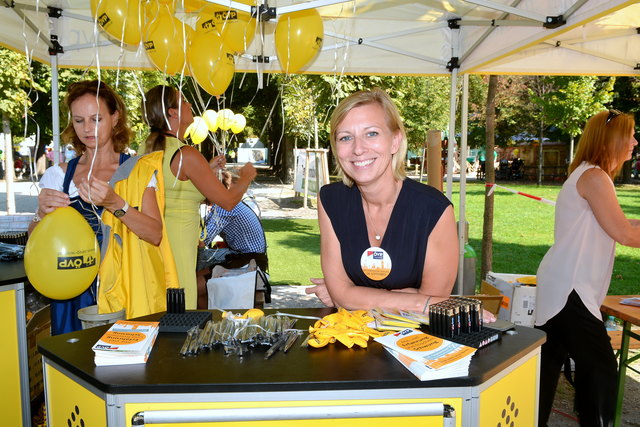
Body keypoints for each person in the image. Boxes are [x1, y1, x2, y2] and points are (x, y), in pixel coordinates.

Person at [305, 88, 459, 313]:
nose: (358, 149)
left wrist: (355, 295)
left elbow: (436, 306)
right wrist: (415, 300)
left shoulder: (433, 209)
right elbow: (341, 296)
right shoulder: (330, 200)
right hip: (353, 340)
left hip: (413, 344)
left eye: (371, 133)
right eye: (346, 137)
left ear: (395, 141)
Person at [29, 80, 163, 335]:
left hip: (125, 289)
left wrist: (115, 203)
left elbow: (154, 234)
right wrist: (41, 213)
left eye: (96, 119)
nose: (87, 129)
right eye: (79, 121)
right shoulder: (59, 176)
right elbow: (36, 241)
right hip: (71, 293)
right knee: (73, 369)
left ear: (115, 118)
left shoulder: (138, 172)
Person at [535, 109, 640, 426]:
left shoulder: (588, 173)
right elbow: (623, 232)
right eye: (630, 135)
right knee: (601, 372)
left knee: (547, 371)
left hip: (563, 285)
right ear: (612, 140)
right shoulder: (594, 177)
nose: (635, 141)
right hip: (571, 289)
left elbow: (622, 223)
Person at [141, 85, 257, 309]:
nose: (190, 105)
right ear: (172, 113)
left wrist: (206, 168)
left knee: (158, 305)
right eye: (184, 101)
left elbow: (173, 188)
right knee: (180, 305)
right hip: (178, 245)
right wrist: (246, 177)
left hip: (154, 242)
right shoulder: (186, 154)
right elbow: (228, 201)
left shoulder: (147, 147)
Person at [196, 170, 268, 308]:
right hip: (247, 257)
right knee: (198, 272)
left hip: (249, 261)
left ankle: (204, 320)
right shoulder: (225, 204)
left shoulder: (224, 207)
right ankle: (206, 317)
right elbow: (205, 227)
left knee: (195, 284)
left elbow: (202, 241)